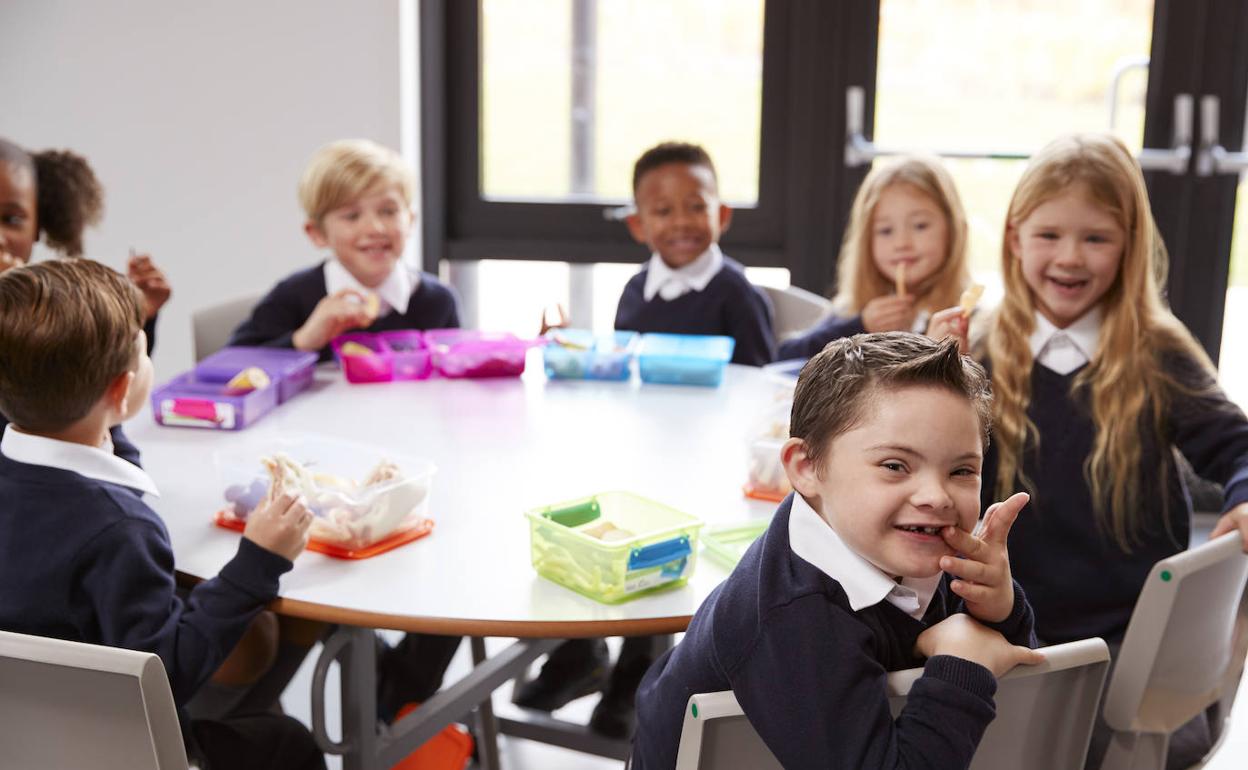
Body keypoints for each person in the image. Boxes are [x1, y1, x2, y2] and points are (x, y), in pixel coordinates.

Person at [929, 132, 1248, 768]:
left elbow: (1237, 447)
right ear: (1015, 237)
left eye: (1096, 238)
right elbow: (928, 468)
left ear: (1128, 244)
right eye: (1049, 235)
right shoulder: (980, 347)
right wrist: (934, 378)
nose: (1070, 258)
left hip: (1127, 634)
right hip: (997, 618)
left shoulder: (1157, 353)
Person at [632, 332, 1041, 768]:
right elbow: (970, 670)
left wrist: (999, 610)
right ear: (807, 469)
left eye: (961, 470)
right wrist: (962, 666)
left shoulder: (900, 543)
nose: (936, 496)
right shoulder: (795, 616)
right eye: (895, 466)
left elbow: (1018, 682)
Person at [0, 259, 323, 769]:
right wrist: (258, 560)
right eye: (144, 351)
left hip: (23, 744)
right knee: (286, 741)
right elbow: (168, 675)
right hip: (120, 751)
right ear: (122, 389)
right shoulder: (120, 531)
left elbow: (97, 441)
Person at [228, 138, 459, 361]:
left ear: (410, 221)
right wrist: (302, 340)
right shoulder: (292, 296)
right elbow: (230, 365)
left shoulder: (439, 302)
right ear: (316, 233)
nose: (374, 228)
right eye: (352, 216)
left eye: (388, 211)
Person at [778, 155, 970, 360]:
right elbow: (786, 357)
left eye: (920, 225)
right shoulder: (853, 310)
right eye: (886, 230)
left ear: (953, 230)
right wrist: (860, 326)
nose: (902, 243)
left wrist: (941, 356)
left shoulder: (967, 320)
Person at [614, 140, 776, 366]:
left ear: (721, 216)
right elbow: (622, 365)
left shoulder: (739, 295)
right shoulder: (634, 292)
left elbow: (756, 382)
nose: (681, 222)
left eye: (697, 207)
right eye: (663, 211)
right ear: (638, 225)